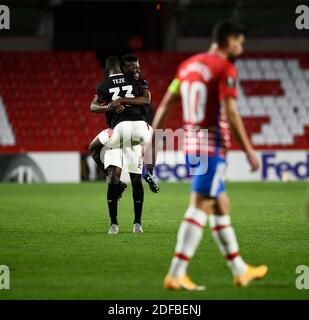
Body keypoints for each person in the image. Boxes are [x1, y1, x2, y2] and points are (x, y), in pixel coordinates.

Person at [150, 21, 268, 290]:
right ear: (228, 41)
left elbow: (167, 104)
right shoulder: (224, 67)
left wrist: (153, 141)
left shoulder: (187, 66)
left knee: (220, 204)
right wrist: (249, 150)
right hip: (211, 147)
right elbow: (232, 112)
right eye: (240, 42)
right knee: (200, 205)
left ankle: (240, 270)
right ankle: (176, 273)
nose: (242, 48)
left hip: (191, 144)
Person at [89, 56, 151, 234]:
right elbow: (147, 99)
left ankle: (113, 224)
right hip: (137, 132)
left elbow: (92, 107)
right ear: (123, 69)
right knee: (136, 179)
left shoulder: (103, 86)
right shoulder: (135, 80)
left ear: (106, 70)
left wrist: (109, 107)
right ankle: (137, 224)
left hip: (117, 130)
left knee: (111, 174)